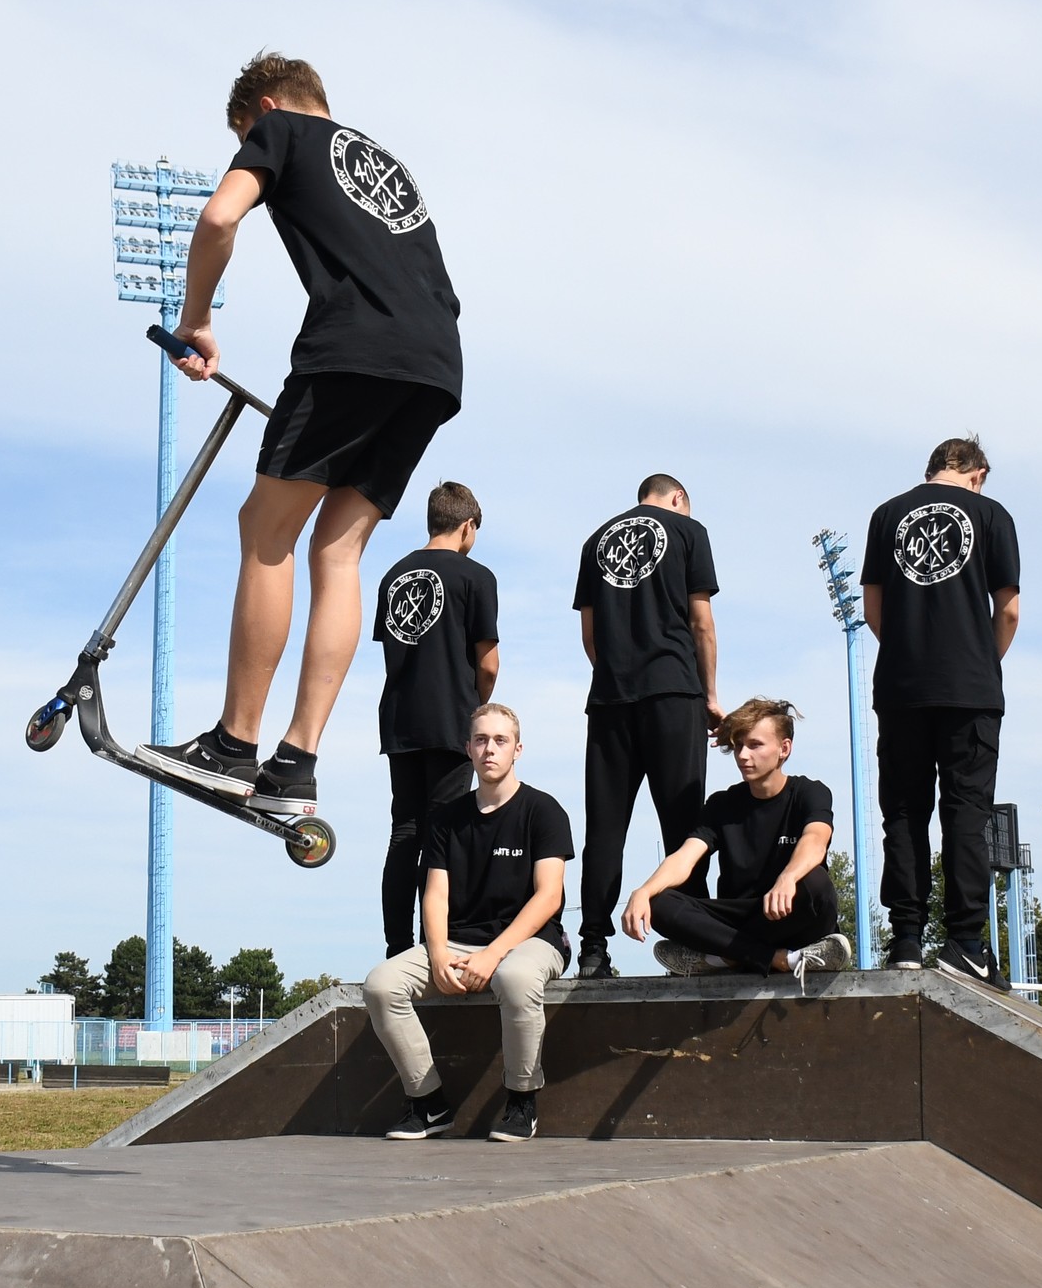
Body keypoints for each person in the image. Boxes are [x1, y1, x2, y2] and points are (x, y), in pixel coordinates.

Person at [143, 53, 463, 818]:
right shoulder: (387, 163)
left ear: (263, 107)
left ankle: (233, 743)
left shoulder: (280, 130)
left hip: (353, 351)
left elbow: (218, 217)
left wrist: (197, 319)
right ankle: (296, 763)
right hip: (435, 366)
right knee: (338, 551)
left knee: (267, 528)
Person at [363, 703, 573, 1143]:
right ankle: (428, 1103)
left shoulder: (544, 810)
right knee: (382, 985)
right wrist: (438, 953)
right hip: (458, 942)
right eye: (480, 740)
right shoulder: (446, 819)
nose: (489, 749)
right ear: (468, 749)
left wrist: (494, 955)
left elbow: (549, 896)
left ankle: (521, 1100)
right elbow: (435, 894)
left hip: (531, 941)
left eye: (500, 740)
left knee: (515, 979)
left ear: (517, 750)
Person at [863, 436, 1021, 980]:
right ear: (977, 475)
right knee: (966, 815)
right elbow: (1009, 611)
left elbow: (873, 608)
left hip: (901, 688)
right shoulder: (992, 515)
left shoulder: (887, 515)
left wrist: (909, 653)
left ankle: (906, 940)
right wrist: (981, 660)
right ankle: (966, 944)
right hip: (970, 690)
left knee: (904, 813)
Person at [571, 474, 720, 978]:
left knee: (605, 828)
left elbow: (590, 634)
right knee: (684, 825)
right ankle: (695, 945)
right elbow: (701, 623)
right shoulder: (689, 531)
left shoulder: (595, 541)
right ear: (678, 498)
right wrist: (710, 695)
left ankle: (593, 949)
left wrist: (617, 673)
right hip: (673, 692)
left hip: (610, 700)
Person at [622, 699, 855, 982]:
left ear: (784, 749)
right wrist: (644, 891)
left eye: (755, 745)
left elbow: (815, 839)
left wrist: (788, 878)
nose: (743, 755)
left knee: (817, 884)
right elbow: (685, 857)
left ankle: (725, 956)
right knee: (660, 903)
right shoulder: (722, 804)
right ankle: (777, 959)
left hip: (790, 914)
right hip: (741, 918)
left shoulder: (809, 792)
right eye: (738, 746)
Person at [372, 481, 500, 957]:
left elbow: (394, 651)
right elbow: (488, 663)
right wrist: (477, 709)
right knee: (442, 834)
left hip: (400, 719)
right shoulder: (476, 577)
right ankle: (434, 946)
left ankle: (396, 946)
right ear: (467, 526)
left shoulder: (394, 576)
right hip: (451, 720)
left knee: (404, 831)